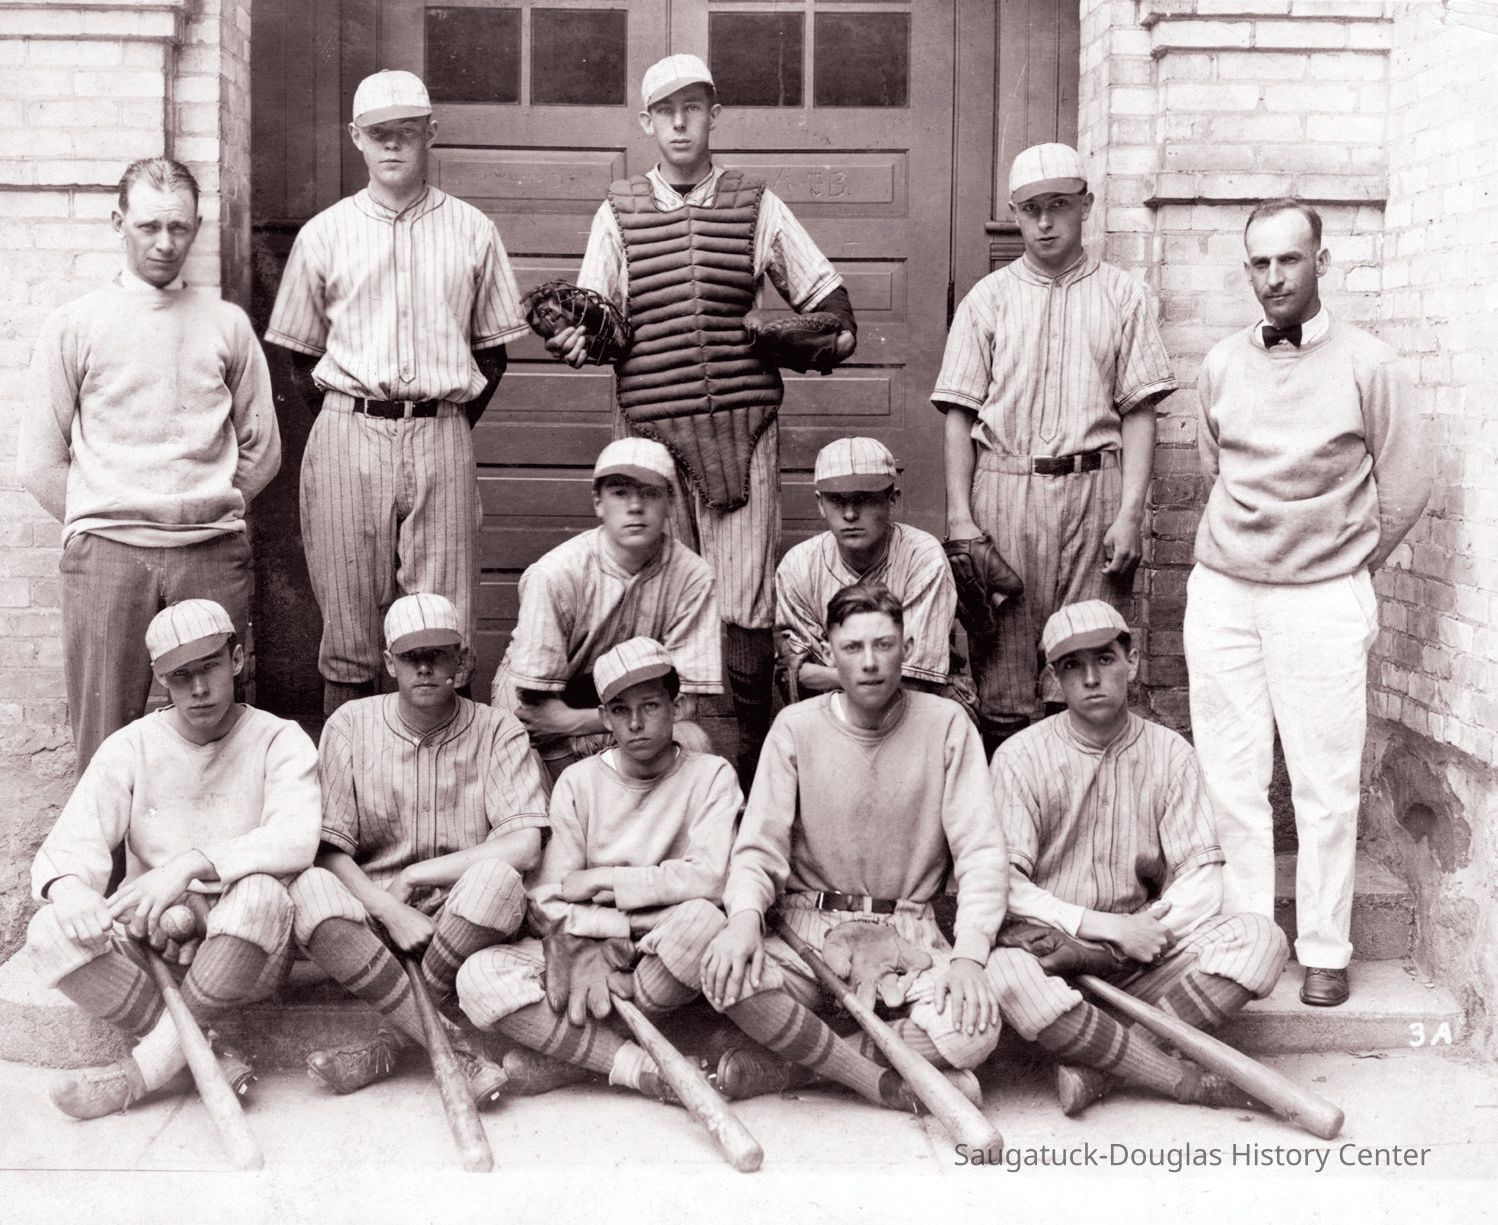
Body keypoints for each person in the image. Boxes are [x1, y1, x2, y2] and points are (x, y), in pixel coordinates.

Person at [547, 52, 857, 786]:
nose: (680, 123)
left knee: (743, 606)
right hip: (651, 433)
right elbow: (599, 323)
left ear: (714, 114)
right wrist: (580, 341)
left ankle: (746, 781)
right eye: (666, 111)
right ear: (646, 122)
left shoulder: (755, 204)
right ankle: (666, 781)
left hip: (741, 429)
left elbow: (834, 312)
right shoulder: (618, 211)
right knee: (659, 594)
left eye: (693, 107)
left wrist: (796, 336)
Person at [1185, 198, 1431, 1008]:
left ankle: (1325, 947)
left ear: (1320, 262)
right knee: (1231, 776)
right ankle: (1248, 943)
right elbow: (1215, 465)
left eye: (1288, 259)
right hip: (1225, 592)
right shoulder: (1222, 363)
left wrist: (1343, 562)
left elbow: (1407, 485)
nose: (1273, 277)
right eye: (1259, 262)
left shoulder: (1370, 364)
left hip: (1321, 598)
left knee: (1324, 784)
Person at [264, 69, 527, 716]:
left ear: (430, 133)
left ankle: (449, 771)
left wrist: (442, 420)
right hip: (347, 430)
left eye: (405, 131)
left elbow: (492, 352)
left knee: (442, 628)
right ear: (355, 137)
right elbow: (299, 358)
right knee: (349, 634)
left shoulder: (472, 228)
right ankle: (351, 773)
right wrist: (353, 415)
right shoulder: (324, 233)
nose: (391, 144)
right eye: (377, 132)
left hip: (440, 429)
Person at [18, 158, 280, 774]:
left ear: (196, 228)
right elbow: (40, 461)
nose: (165, 243)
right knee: (104, 735)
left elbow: (262, 449)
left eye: (179, 227)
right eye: (149, 226)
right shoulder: (75, 324)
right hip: (108, 556)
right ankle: (103, 843)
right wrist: (105, 515)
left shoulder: (225, 325)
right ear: (119, 224)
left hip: (209, 552)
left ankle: (218, 842)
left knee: (218, 732)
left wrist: (203, 503)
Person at [699, 583, 1006, 1109]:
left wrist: (970, 957)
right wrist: (744, 919)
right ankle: (877, 1074)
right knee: (727, 977)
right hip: (808, 934)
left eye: (884, 645)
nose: (869, 662)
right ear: (827, 652)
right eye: (852, 647)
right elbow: (758, 848)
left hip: (906, 936)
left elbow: (980, 852)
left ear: (908, 648)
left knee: (973, 1031)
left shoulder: (947, 724)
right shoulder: (795, 727)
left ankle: (797, 1066)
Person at [987, 600, 1289, 1118]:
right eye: (1072, 666)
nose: (1091, 678)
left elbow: (1201, 878)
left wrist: (1129, 942)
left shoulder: (1171, 753)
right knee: (1007, 974)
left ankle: (1100, 1065)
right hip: (1055, 956)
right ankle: (1173, 1076)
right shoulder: (1019, 756)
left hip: (1144, 953)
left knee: (1260, 940)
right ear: (1054, 679)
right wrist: (1104, 930)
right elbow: (1004, 885)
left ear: (1131, 661)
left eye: (1104, 659)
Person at [25, 599, 319, 1119]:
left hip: (247, 950)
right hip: (153, 944)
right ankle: (207, 1052)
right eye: (181, 676)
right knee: (48, 930)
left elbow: (295, 838)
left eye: (209, 667)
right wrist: (69, 889)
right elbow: (71, 844)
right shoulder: (130, 745)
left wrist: (186, 865)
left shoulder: (279, 738)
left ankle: (142, 1072)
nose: (199, 689)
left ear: (237, 659)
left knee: (261, 893)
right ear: (161, 679)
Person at [932, 142, 1177, 755]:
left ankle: (1083, 802)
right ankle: (1009, 804)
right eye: (1031, 209)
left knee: (1088, 659)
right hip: (1004, 491)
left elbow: (1139, 411)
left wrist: (1130, 514)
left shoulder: (1124, 296)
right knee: (1004, 671)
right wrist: (960, 519)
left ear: (1085, 206)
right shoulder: (987, 298)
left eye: (1059, 206)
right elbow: (959, 414)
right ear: (1015, 213)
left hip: (1095, 492)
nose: (1045, 222)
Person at [287, 593, 550, 1103]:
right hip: (374, 918)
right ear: (389, 663)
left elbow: (524, 847)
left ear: (462, 660)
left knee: (498, 880)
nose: (424, 667)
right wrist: (388, 907)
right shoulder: (350, 723)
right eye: (410, 657)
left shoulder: (498, 728)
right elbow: (327, 849)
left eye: (437, 654)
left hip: (464, 919)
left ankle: (387, 1042)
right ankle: (452, 1045)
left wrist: (416, 875)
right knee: (310, 889)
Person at [458, 637, 740, 1101]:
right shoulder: (579, 780)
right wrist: (612, 932)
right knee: (478, 976)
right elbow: (550, 898)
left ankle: (569, 1055)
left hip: (661, 947)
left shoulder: (711, 775)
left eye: (650, 705)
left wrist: (607, 881)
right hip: (590, 946)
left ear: (678, 706)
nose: (635, 723)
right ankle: (635, 1066)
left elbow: (712, 880)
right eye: (620, 710)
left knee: (705, 923)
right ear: (605, 717)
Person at [490, 437, 722, 781]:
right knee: (547, 800)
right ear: (598, 502)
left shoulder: (694, 577)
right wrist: (571, 791)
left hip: (629, 707)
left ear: (671, 502)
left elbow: (686, 702)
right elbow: (537, 710)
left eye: (650, 493)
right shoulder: (555, 573)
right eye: (620, 492)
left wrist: (583, 722)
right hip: (539, 705)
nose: (635, 506)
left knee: (693, 740)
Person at [775, 436, 960, 704]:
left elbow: (917, 678)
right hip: (829, 710)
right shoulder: (798, 565)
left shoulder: (922, 556)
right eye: (836, 500)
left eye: (864, 499)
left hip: (916, 707)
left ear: (892, 498)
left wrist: (831, 675)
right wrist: (879, 674)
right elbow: (797, 677)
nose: (850, 514)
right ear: (820, 503)